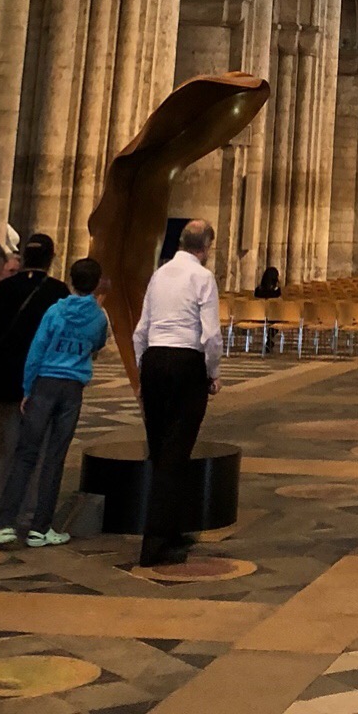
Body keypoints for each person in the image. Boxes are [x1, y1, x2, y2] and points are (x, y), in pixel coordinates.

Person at [0, 256, 109, 548]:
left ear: (70, 280)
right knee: (55, 458)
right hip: (72, 388)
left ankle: (5, 523)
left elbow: (37, 350)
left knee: (25, 454)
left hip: (43, 384)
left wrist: (27, 388)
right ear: (95, 284)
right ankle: (40, 528)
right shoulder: (98, 318)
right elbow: (97, 344)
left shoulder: (55, 312)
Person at [132, 219, 221, 568]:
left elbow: (140, 331)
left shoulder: (159, 275)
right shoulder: (202, 277)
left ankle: (169, 530)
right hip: (186, 362)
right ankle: (155, 545)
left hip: (154, 359)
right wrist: (213, 373)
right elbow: (211, 335)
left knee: (159, 450)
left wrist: (143, 373)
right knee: (176, 452)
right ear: (205, 247)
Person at [0, 237, 67, 489]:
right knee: (32, 449)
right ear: (51, 258)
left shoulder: (4, 287)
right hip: (39, 380)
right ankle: (20, 510)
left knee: (0, 448)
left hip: (1, 378)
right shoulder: (58, 292)